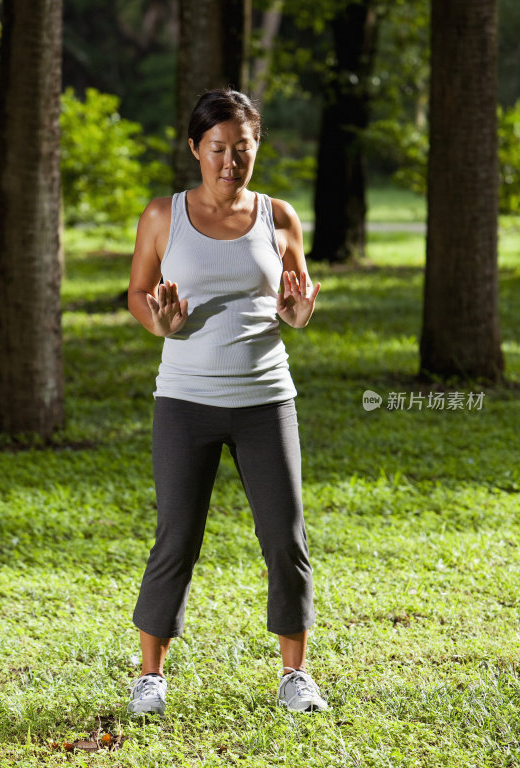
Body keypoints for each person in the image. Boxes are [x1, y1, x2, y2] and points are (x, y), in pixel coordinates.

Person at [126, 88, 327, 715]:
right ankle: (150, 678)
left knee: (284, 536)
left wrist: (298, 316)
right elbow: (137, 292)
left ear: (256, 146)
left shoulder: (280, 216)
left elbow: (293, 299)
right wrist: (158, 323)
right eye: (218, 149)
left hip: (267, 399)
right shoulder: (164, 216)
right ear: (195, 148)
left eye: (242, 148)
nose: (230, 162)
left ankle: (295, 675)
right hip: (184, 400)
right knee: (176, 535)